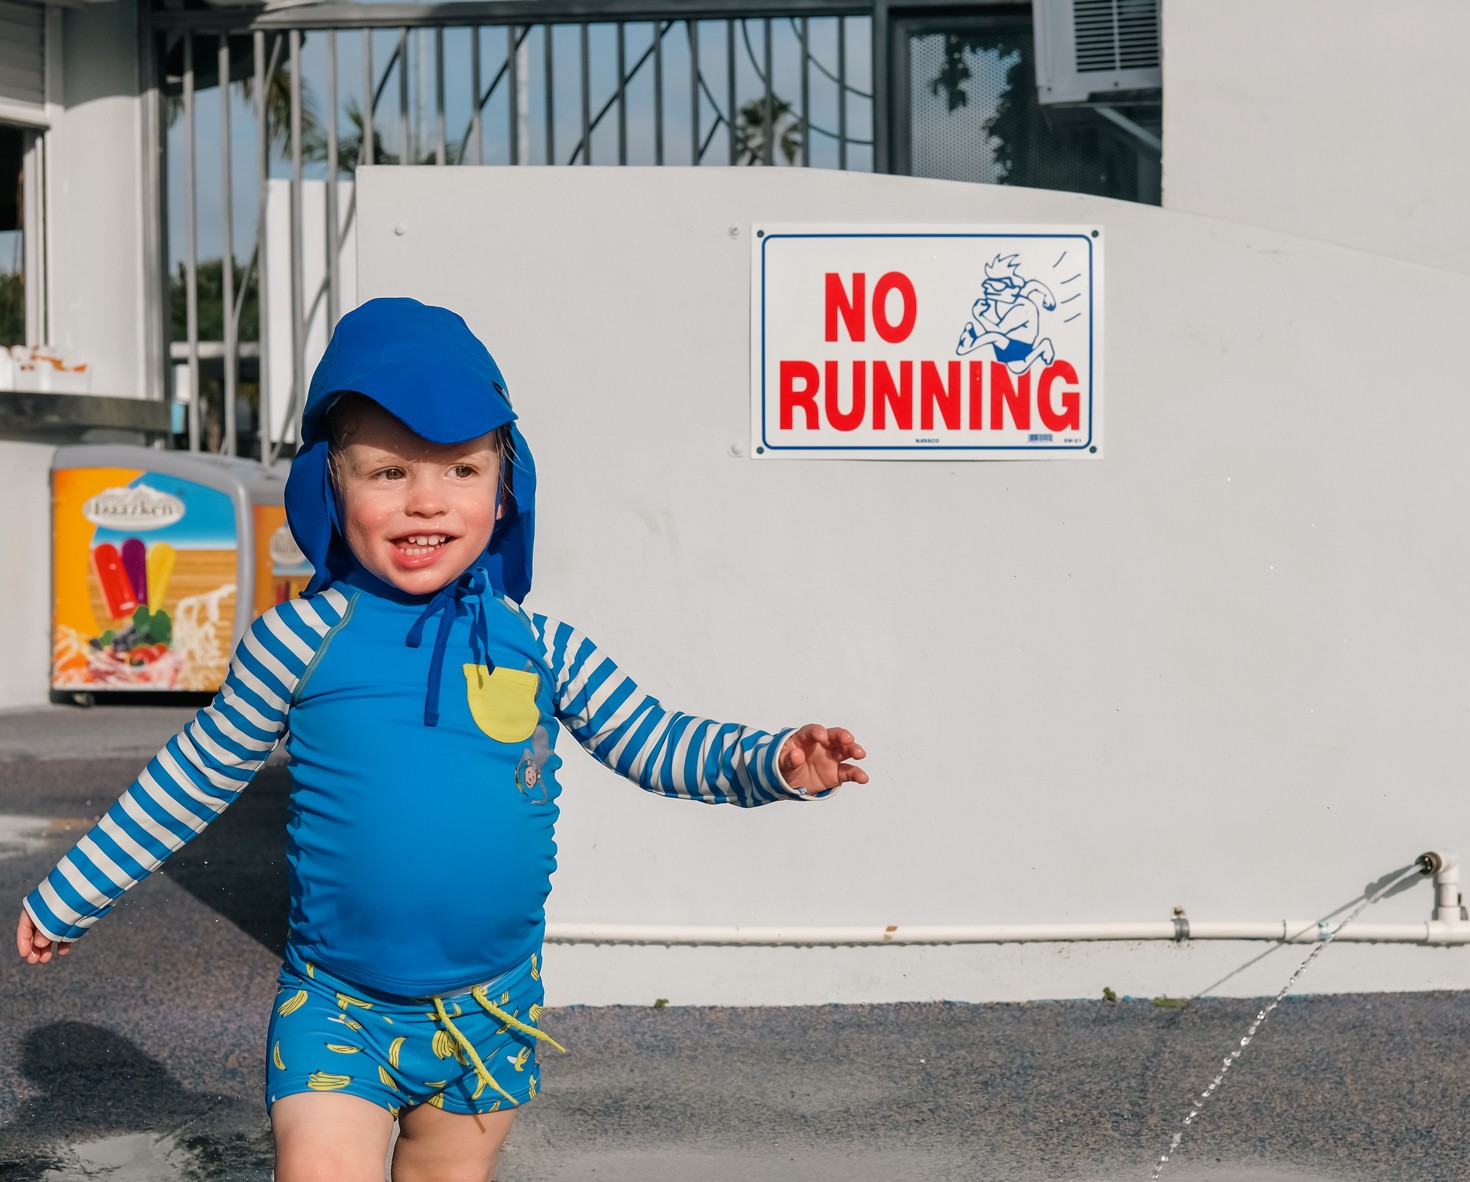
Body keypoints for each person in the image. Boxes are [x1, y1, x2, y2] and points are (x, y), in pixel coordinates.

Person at [16, 297, 868, 1182]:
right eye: (388, 473)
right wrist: (77, 888)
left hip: (489, 1014)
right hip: (338, 1007)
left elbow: (653, 741)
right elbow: (193, 776)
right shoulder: (299, 640)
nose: (427, 499)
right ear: (330, 486)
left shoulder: (541, 647)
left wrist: (770, 760)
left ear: (504, 489)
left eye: (461, 469)